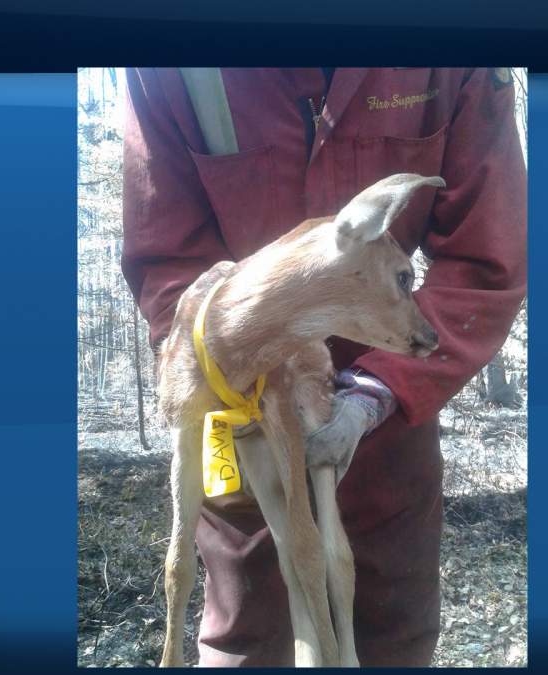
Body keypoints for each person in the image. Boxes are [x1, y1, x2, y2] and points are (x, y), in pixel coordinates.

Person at [121, 67, 526, 666]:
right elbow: (168, 250)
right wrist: (221, 375)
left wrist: (378, 392)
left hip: (388, 409)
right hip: (240, 403)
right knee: (248, 629)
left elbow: (486, 255)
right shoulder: (173, 67)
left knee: (389, 621)